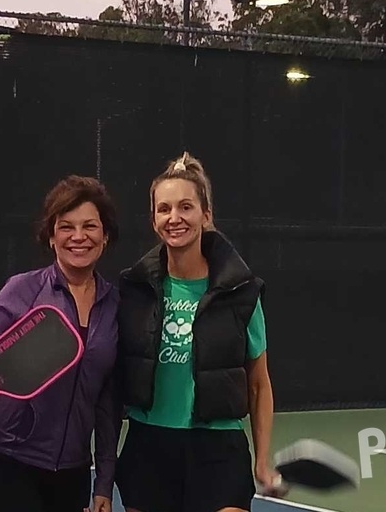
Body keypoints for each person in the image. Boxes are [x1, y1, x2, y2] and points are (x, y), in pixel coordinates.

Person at [114, 152, 280, 512]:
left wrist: (262, 460)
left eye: (186, 207)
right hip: (149, 447)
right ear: (154, 218)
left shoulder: (241, 291)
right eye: (164, 209)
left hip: (219, 450)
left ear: (206, 216)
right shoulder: (134, 289)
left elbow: (258, 384)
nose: (175, 218)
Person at [0, 175, 122, 512]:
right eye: (66, 226)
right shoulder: (22, 290)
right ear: (51, 236)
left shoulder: (116, 306)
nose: (78, 237)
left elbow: (108, 404)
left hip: (71, 469)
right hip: (6, 458)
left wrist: (104, 482)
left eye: (89, 226)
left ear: (105, 236)